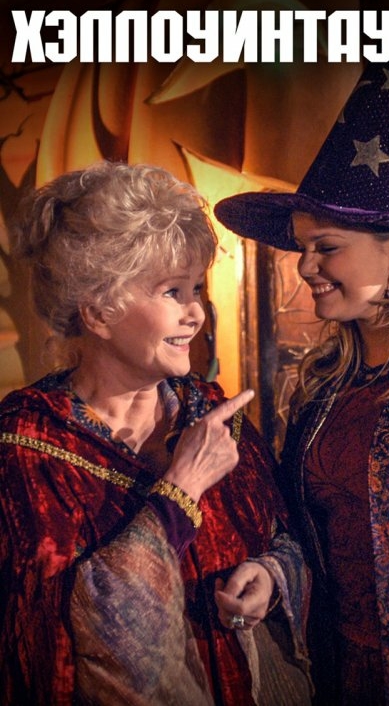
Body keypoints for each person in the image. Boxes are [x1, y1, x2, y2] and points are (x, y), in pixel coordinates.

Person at [214, 58, 389, 705]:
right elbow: (303, 529)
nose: (304, 266)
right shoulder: (320, 392)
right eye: (301, 247)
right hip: (339, 679)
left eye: (326, 246)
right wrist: (271, 573)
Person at [0, 161, 312, 706]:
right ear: (99, 312)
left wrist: (271, 576)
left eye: (197, 288)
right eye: (171, 291)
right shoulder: (29, 446)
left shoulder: (217, 417)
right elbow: (70, 640)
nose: (196, 313)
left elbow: (289, 540)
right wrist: (181, 489)